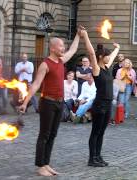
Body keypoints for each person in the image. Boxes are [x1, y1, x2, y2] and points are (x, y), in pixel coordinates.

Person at [18, 29, 81, 176]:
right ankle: (40, 166)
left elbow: (73, 50)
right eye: (61, 46)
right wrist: (25, 102)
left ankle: (46, 163)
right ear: (53, 48)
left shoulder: (61, 60)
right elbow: (35, 85)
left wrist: (78, 34)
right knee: (44, 134)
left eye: (63, 46)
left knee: (53, 134)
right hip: (47, 103)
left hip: (60, 103)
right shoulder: (45, 65)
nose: (63, 48)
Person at [82, 28, 120, 167]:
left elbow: (113, 57)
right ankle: (92, 158)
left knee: (102, 132)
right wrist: (85, 35)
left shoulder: (106, 67)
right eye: (107, 55)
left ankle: (98, 156)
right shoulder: (96, 69)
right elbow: (91, 52)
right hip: (99, 104)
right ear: (100, 57)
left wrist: (118, 48)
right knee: (95, 131)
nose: (109, 57)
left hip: (108, 104)